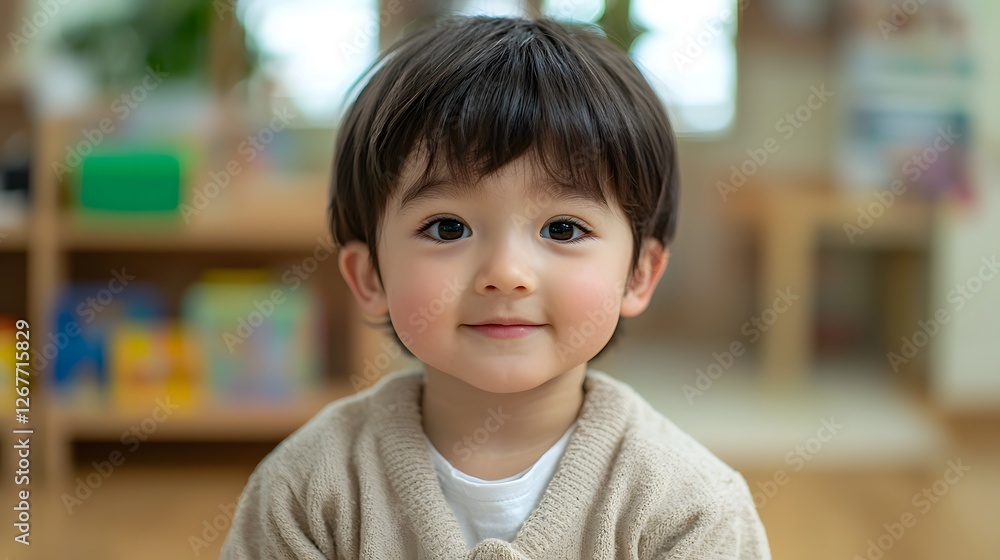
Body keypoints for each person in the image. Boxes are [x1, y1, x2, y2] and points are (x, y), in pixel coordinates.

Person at [221, 14, 770, 559]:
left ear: (639, 274)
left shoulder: (692, 512)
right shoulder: (305, 493)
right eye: (447, 228)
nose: (506, 272)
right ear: (369, 277)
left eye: (563, 229)